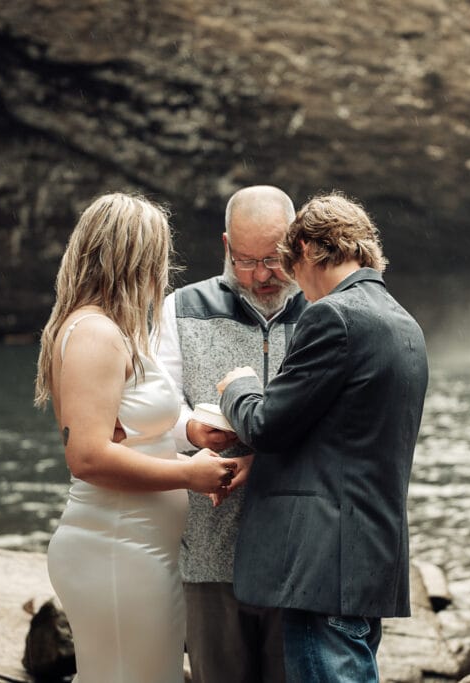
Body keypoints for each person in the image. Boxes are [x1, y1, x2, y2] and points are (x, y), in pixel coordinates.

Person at [216, 192, 429, 682]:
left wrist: (239, 387)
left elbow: (267, 424)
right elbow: (348, 440)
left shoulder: (333, 316)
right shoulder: (404, 322)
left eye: (291, 267)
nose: (299, 290)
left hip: (323, 567)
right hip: (368, 560)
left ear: (309, 249)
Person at [34, 192, 238, 683]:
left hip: (135, 550)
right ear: (135, 258)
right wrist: (188, 474)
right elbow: (87, 456)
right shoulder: (95, 335)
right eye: (159, 257)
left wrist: (189, 431)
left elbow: (127, 427)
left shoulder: (115, 331)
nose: (163, 271)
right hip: (114, 549)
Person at [155, 185, 306, 682]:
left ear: (299, 245)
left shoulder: (325, 312)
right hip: (208, 551)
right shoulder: (181, 308)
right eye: (245, 260)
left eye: (274, 258)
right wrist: (193, 430)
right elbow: (156, 409)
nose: (262, 275)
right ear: (225, 245)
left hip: (300, 556)